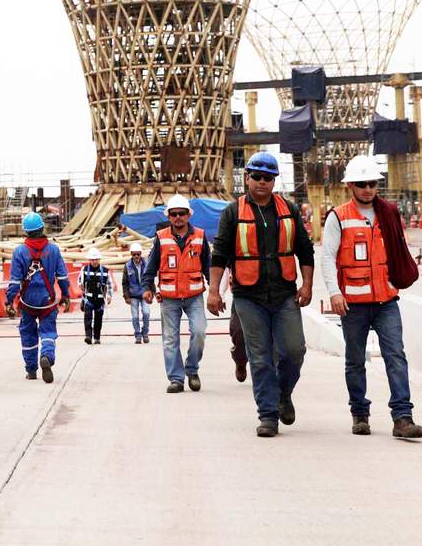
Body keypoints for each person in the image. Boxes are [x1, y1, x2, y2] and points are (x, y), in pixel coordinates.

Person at [207, 152, 315, 438]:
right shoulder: (233, 213)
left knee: (294, 351)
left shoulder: (289, 210)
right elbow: (219, 254)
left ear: (274, 181)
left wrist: (307, 285)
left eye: (268, 177)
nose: (262, 182)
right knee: (260, 357)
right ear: (247, 178)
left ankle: (283, 394)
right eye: (257, 176)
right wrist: (214, 291)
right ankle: (268, 415)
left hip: (284, 294)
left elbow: (305, 250)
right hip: (248, 296)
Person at [322, 155, 422, 440]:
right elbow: (327, 256)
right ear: (350, 186)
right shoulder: (338, 217)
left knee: (396, 356)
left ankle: (403, 418)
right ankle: (360, 414)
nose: (368, 189)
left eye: (372, 183)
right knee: (355, 360)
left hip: (386, 301)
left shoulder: (388, 213)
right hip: (353, 304)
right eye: (361, 184)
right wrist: (334, 292)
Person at [141, 194, 208, 393]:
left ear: (189, 215)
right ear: (168, 216)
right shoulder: (161, 238)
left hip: (194, 296)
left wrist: (215, 290)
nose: (178, 217)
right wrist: (147, 287)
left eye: (182, 213)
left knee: (199, 332)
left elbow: (208, 265)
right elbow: (151, 265)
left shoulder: (200, 236)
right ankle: (176, 379)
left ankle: (192, 369)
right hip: (169, 298)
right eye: (174, 214)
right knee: (170, 339)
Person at [6, 212, 70, 382]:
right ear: (42, 228)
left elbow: (14, 281)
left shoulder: (19, 251)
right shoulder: (53, 250)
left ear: (26, 231)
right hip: (47, 301)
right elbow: (62, 276)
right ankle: (47, 356)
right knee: (48, 331)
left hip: (27, 302)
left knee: (28, 334)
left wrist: (8, 301)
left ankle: (31, 370)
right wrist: (65, 295)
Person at [78, 247, 112, 344]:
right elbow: (79, 280)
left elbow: (109, 284)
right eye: (92, 259)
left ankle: (97, 338)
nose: (94, 261)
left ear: (99, 259)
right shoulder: (84, 270)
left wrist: (109, 295)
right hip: (88, 298)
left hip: (100, 299)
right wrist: (81, 286)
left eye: (96, 259)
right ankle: (88, 336)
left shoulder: (105, 271)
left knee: (98, 319)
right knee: (87, 318)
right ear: (89, 260)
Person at [121, 242, 150, 344]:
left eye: (138, 254)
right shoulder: (127, 266)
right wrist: (126, 296)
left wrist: (152, 292)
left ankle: (145, 333)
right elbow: (125, 283)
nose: (136, 256)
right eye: (134, 254)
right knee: (135, 317)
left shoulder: (147, 264)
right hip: (133, 295)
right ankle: (138, 335)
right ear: (131, 254)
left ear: (141, 254)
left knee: (146, 313)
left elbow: (150, 279)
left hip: (145, 294)